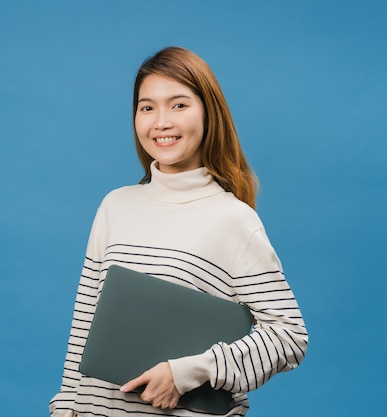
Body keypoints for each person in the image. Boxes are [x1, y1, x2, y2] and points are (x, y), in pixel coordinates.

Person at [49, 46, 308, 417]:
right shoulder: (115, 206)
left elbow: (288, 337)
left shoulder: (232, 220)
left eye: (179, 104)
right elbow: (85, 323)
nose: (161, 121)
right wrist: (65, 408)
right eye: (147, 106)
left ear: (208, 113)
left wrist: (186, 373)